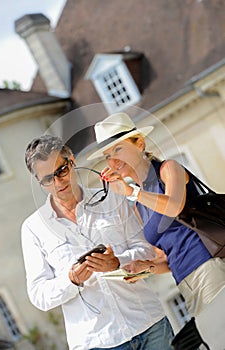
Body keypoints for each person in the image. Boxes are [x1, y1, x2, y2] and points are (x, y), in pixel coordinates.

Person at [21, 134, 174, 350]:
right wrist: (71, 279)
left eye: (61, 171)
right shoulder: (33, 228)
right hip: (96, 342)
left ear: (71, 161)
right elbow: (38, 295)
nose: (57, 182)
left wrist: (117, 263)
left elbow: (146, 250)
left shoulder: (111, 198)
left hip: (148, 325)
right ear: (39, 181)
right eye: (47, 179)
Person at [88, 112, 225, 317]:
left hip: (208, 266)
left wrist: (131, 192)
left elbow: (174, 206)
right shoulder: (138, 205)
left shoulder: (168, 169)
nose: (113, 160)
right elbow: (166, 258)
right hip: (185, 282)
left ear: (140, 144)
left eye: (118, 149)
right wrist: (146, 267)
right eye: (108, 156)